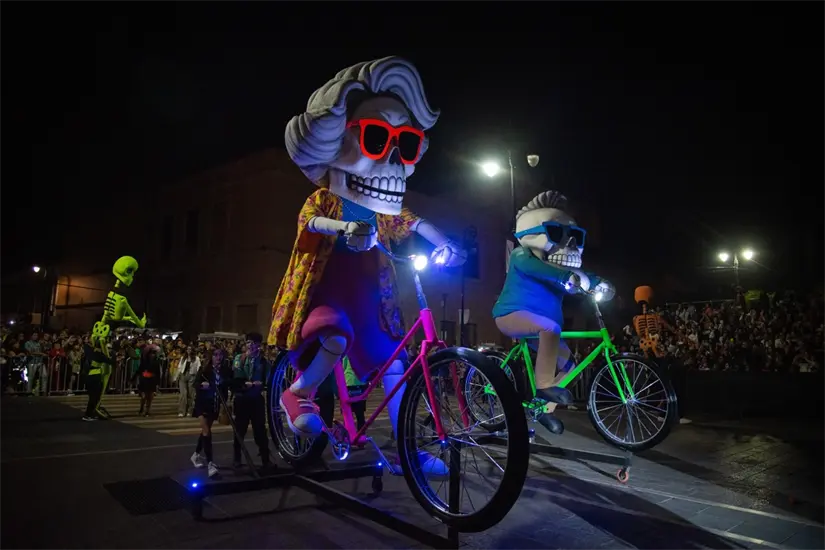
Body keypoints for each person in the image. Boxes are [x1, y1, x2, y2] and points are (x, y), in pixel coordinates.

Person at [268, 57, 464, 476]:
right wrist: (344, 228)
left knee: (395, 365)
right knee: (335, 337)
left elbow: (410, 220)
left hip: (369, 302)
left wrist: (445, 240)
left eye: (406, 144)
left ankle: (407, 451)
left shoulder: (383, 212)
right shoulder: (327, 198)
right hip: (328, 295)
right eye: (376, 137)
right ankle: (297, 393)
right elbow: (310, 220)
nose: (395, 160)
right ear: (334, 141)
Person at [493, 191, 615, 435]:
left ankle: (543, 410)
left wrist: (599, 283)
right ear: (527, 236)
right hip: (511, 314)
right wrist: (566, 277)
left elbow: (582, 277)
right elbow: (540, 270)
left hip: (540, 324)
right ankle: (544, 385)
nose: (569, 244)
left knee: (570, 366)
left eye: (575, 236)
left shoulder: (560, 266)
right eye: (556, 233)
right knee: (550, 328)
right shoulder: (521, 255)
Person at [632, 286, 691, 424]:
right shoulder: (655, 317)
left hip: (650, 357)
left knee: (659, 384)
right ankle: (674, 414)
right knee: (671, 383)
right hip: (659, 356)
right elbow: (670, 330)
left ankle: (663, 412)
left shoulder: (637, 318)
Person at [231, 333, 273, 471]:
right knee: (239, 431)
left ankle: (265, 460)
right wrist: (249, 384)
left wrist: (261, 384)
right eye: (248, 342)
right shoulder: (240, 358)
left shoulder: (263, 362)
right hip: (242, 399)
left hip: (256, 400)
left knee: (260, 431)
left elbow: (268, 379)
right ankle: (237, 459)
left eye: (253, 343)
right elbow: (237, 377)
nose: (250, 345)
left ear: (259, 345)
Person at [191, 355, 220, 478]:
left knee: (205, 431)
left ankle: (196, 454)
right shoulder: (204, 370)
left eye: (221, 355)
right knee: (206, 431)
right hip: (202, 403)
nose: (218, 358)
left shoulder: (223, 370)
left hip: (213, 404)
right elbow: (195, 384)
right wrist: (203, 385)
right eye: (216, 355)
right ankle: (210, 463)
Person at [135, 345, 161, 416]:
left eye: (154, 353)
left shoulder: (156, 362)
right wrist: (133, 378)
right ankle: (141, 408)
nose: (152, 355)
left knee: (150, 397)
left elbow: (158, 373)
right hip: (144, 380)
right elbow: (139, 370)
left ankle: (147, 410)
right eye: (151, 353)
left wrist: (158, 383)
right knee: (144, 396)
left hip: (152, 380)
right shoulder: (144, 361)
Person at [174, 347, 200, 417]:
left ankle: (189, 410)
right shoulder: (183, 358)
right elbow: (179, 367)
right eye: (187, 349)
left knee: (190, 394)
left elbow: (198, 368)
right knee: (183, 394)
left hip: (192, 376)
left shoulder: (196, 358)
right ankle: (181, 411)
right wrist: (176, 377)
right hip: (183, 376)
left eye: (190, 349)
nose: (188, 350)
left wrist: (198, 378)